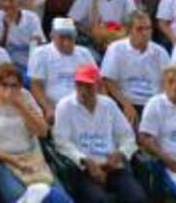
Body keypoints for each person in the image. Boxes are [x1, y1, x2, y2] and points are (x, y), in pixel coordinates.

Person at [0, 62, 69, 203]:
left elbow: (42, 132)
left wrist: (21, 107)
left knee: (58, 196)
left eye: (14, 86)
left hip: (32, 156)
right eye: (5, 85)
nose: (10, 90)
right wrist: (12, 160)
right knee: (20, 196)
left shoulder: (26, 97)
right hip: (5, 159)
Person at [52, 62, 145, 203]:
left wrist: (120, 153)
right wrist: (84, 160)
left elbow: (128, 137)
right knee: (99, 200)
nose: (83, 91)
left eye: (88, 86)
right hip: (83, 170)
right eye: (79, 85)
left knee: (138, 198)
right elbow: (61, 142)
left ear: (98, 86)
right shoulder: (65, 106)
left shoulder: (108, 105)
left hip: (112, 167)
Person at [139, 66, 176, 201]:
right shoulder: (155, 104)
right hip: (175, 165)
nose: (175, 87)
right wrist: (166, 159)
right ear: (163, 85)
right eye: (170, 82)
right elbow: (144, 138)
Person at [28, 18, 96, 121]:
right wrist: (48, 108)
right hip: (56, 107)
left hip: (83, 105)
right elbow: (36, 86)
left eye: (70, 38)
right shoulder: (41, 54)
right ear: (52, 37)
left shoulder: (84, 53)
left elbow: (96, 82)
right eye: (62, 38)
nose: (66, 42)